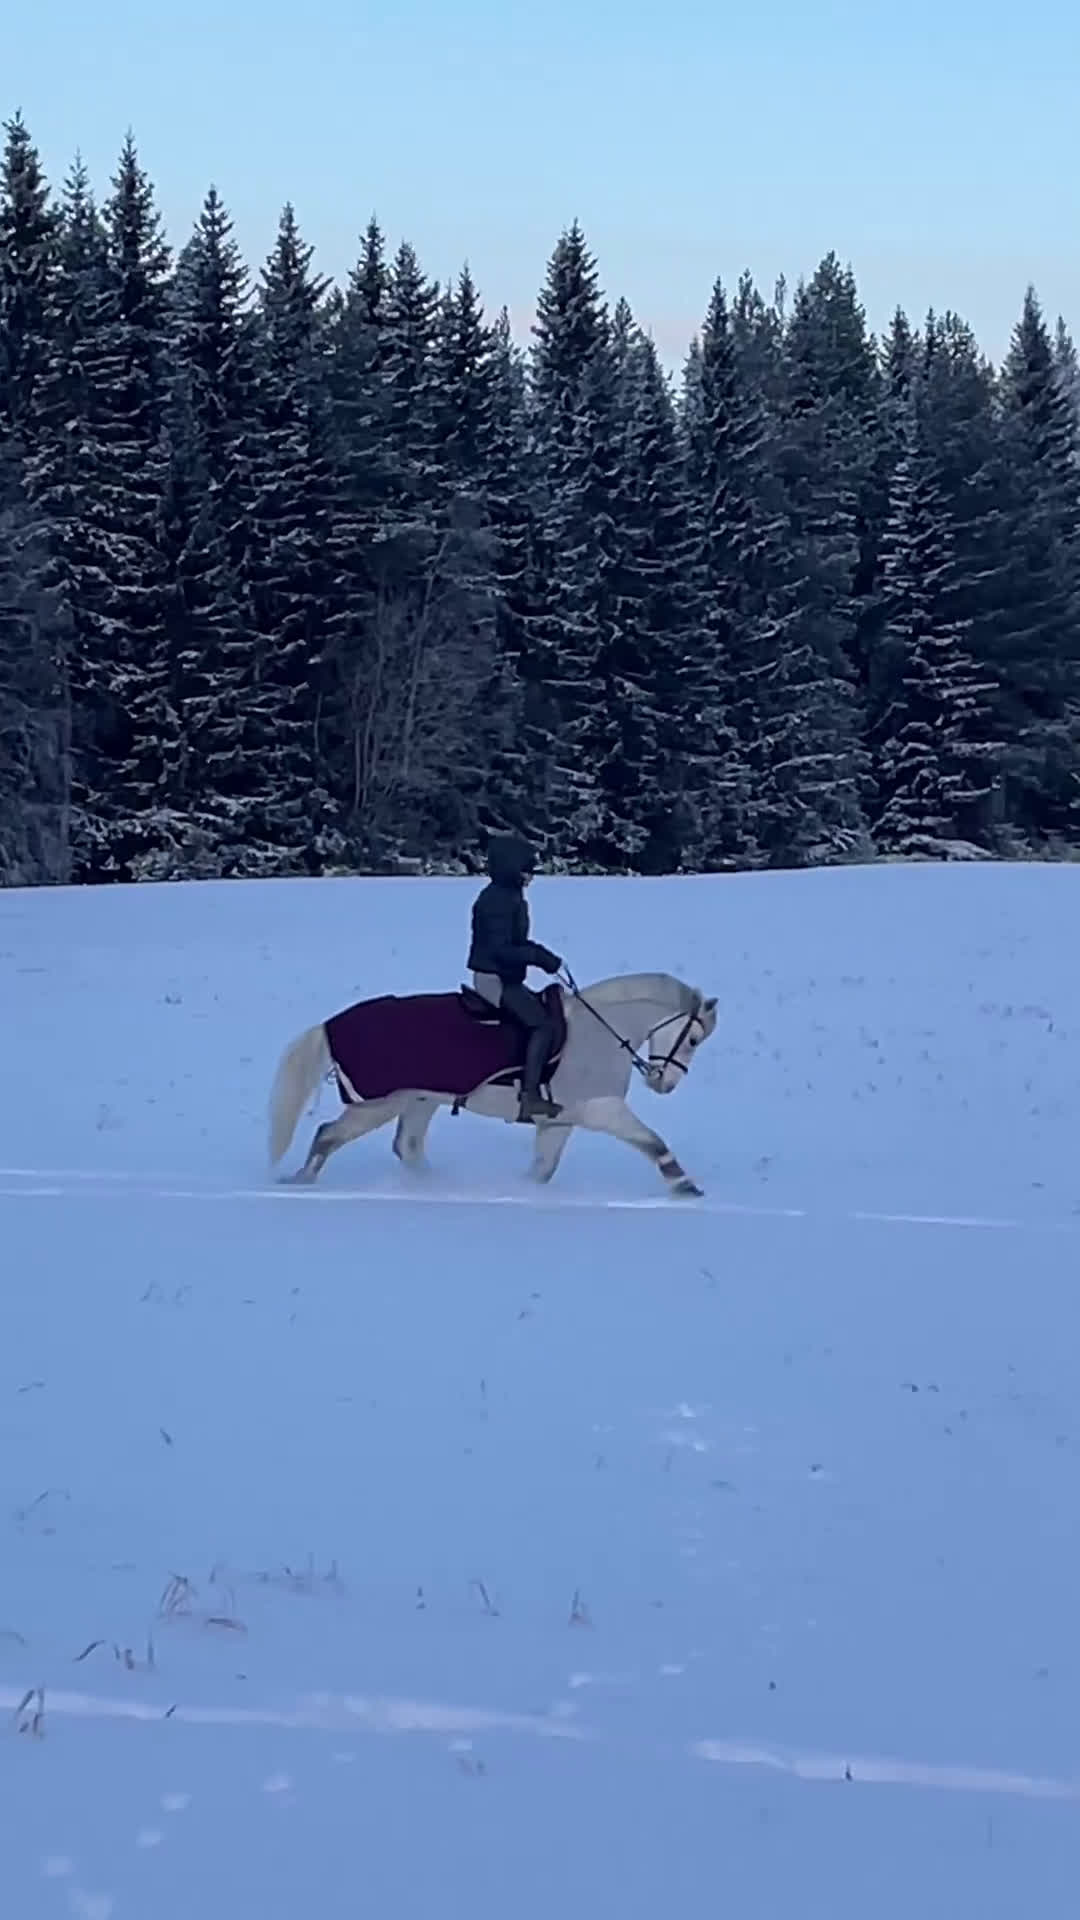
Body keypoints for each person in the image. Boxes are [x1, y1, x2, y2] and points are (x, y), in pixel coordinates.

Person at [468, 833, 563, 1121]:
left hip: (506, 976)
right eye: (527, 871)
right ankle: (529, 1096)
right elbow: (501, 949)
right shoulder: (497, 900)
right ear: (511, 869)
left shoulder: (508, 896)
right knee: (542, 1025)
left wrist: (536, 955)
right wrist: (538, 956)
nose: (531, 878)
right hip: (493, 979)